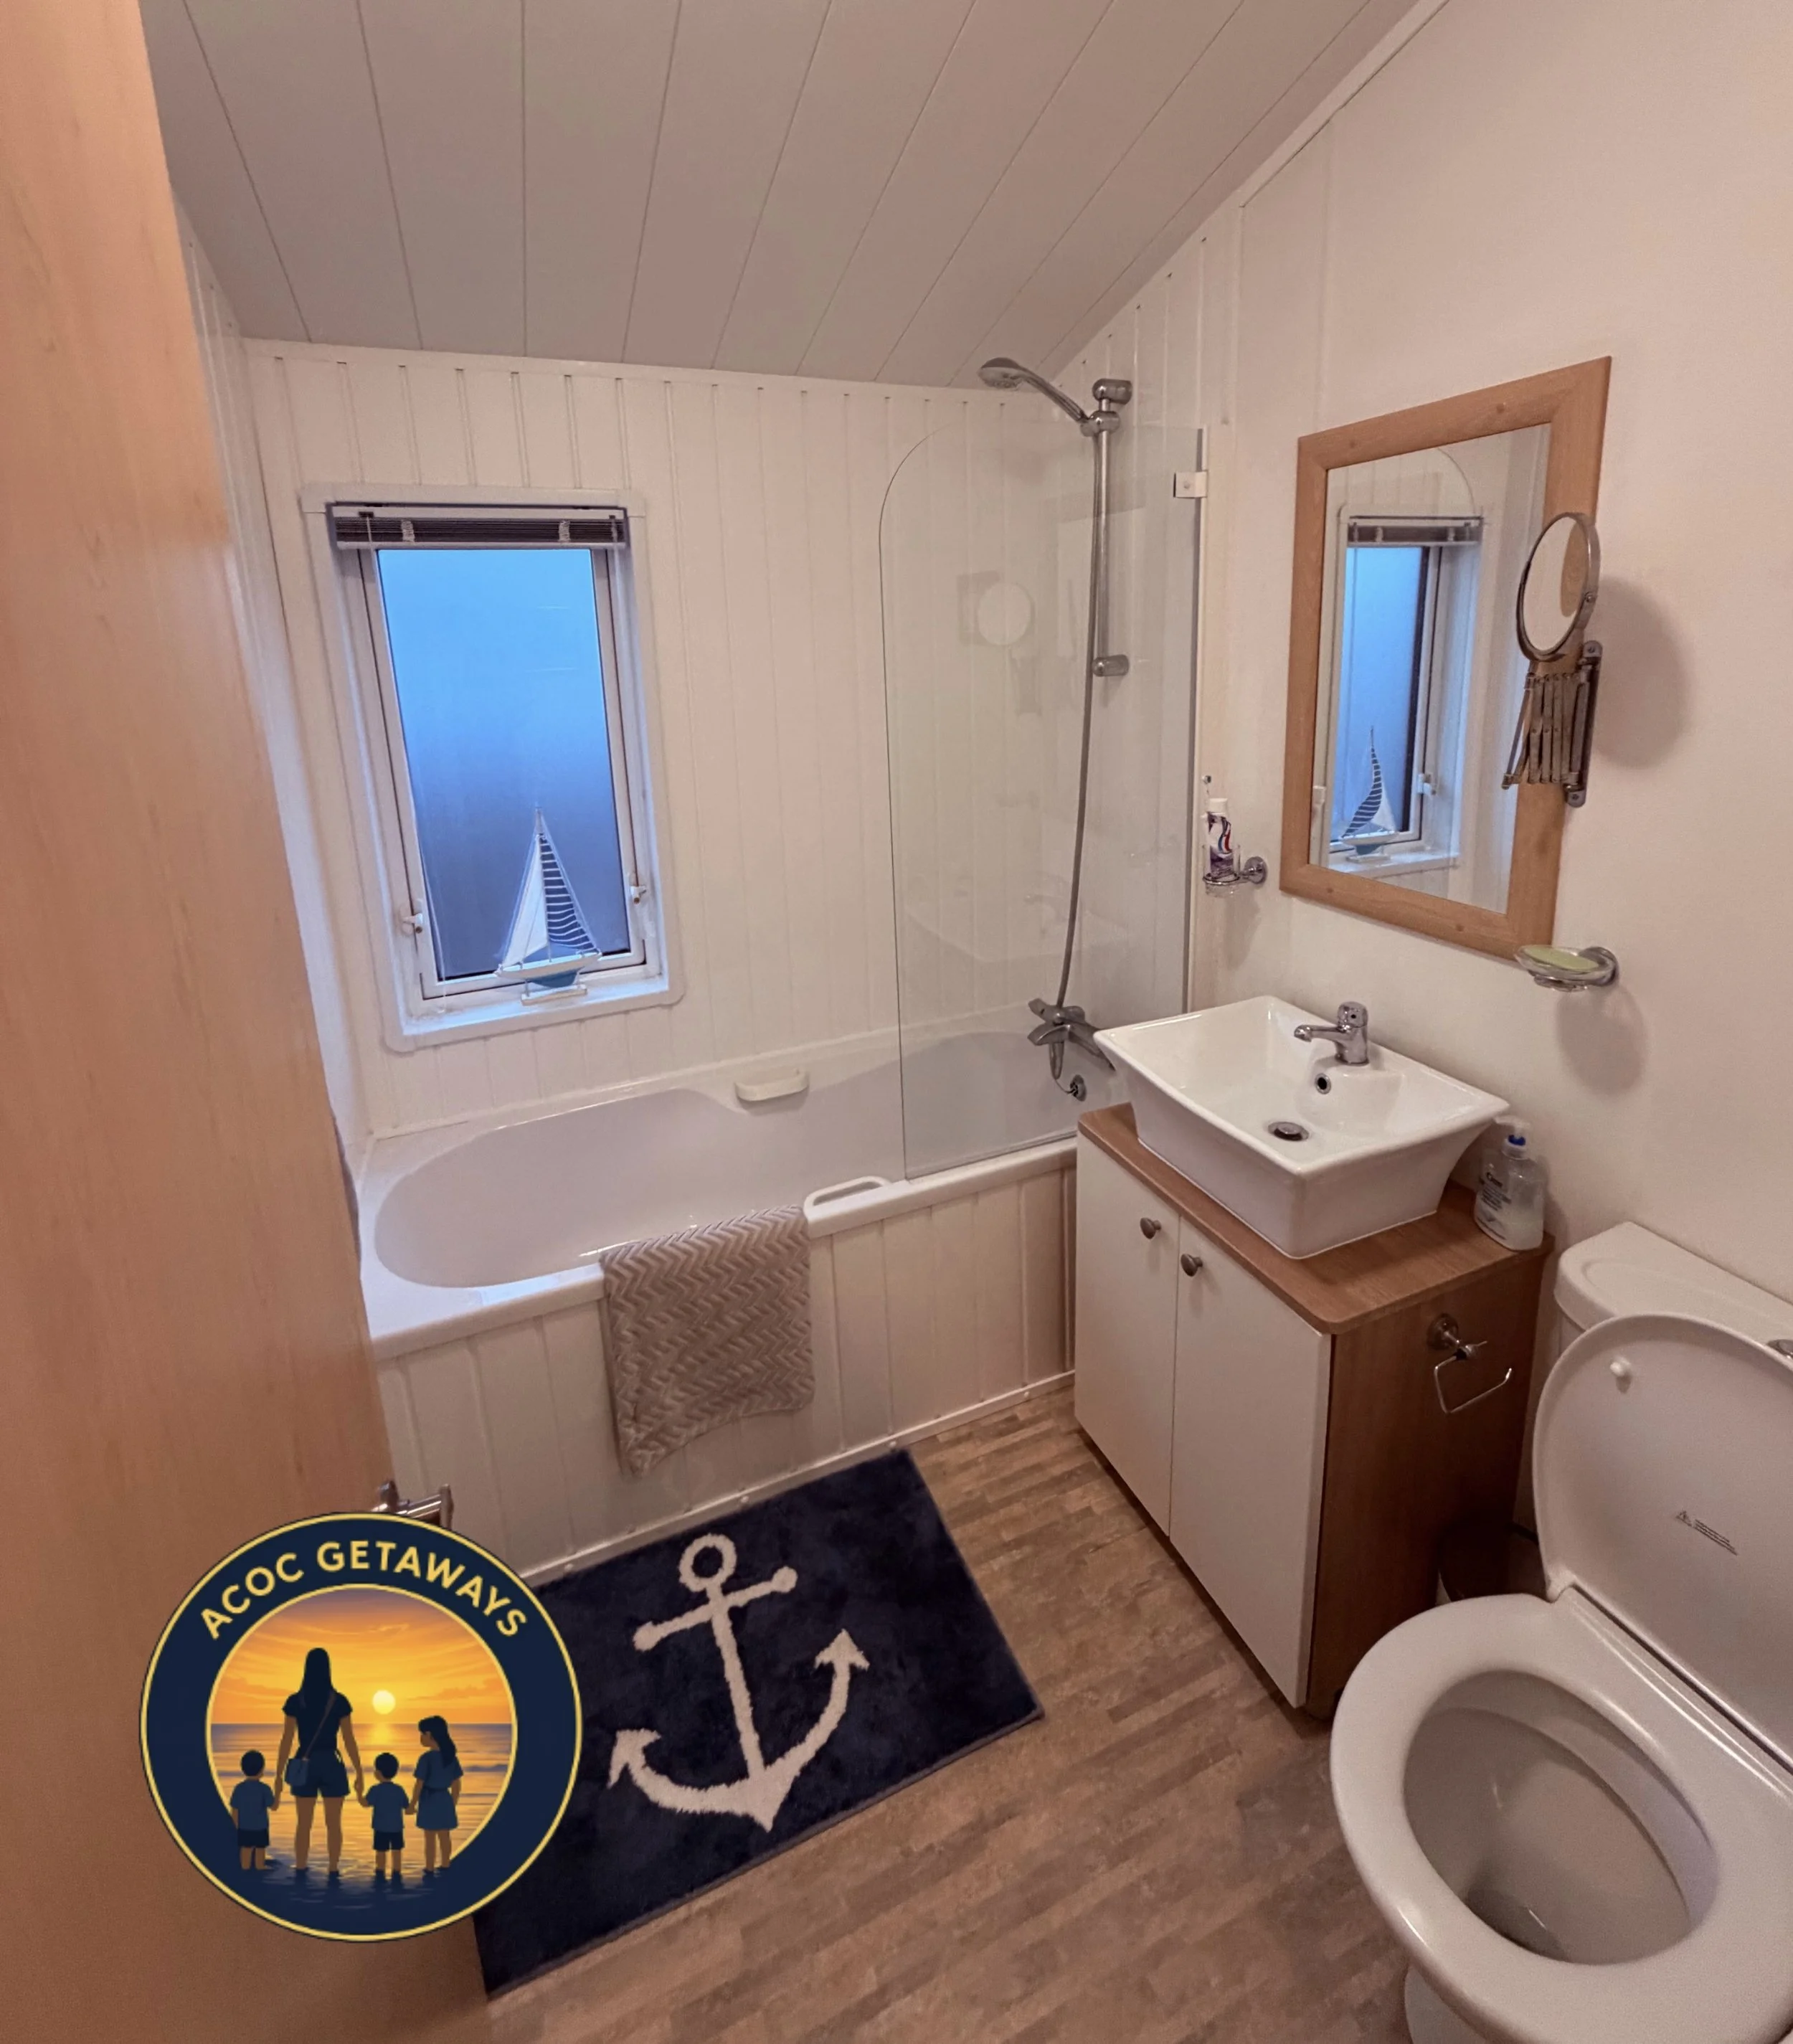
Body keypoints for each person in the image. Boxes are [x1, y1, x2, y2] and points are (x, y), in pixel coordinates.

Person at [271, 1646, 363, 1875]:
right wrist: (359, 1771)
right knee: (334, 1824)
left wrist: (279, 1774)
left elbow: (287, 1740)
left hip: (304, 1764)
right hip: (331, 1763)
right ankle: (333, 1869)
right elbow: (349, 1739)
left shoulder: (296, 1700)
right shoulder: (339, 1701)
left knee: (303, 1824)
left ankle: (301, 1866)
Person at [413, 1716, 463, 1871]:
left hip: (429, 1799)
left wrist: (412, 1804)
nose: (421, 1737)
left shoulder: (426, 1758)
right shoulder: (450, 1757)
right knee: (444, 1835)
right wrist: (453, 1803)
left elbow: (419, 1783)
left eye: (422, 1734)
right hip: (445, 1799)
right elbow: (456, 1783)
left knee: (430, 1838)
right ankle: (446, 1864)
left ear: (429, 1735)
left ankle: (429, 1868)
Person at [359, 1752, 410, 1880]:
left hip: (380, 1828)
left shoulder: (375, 1790)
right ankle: (397, 1872)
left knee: (381, 1852)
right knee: (397, 1851)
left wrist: (359, 1793)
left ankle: (380, 1872)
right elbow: (407, 1806)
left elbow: (365, 1804)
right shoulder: (399, 1789)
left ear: (378, 1773)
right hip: (396, 1828)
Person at [229, 1749, 276, 1870]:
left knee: (245, 1849)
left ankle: (245, 1868)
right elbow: (273, 1806)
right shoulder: (265, 1789)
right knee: (260, 1850)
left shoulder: (239, 1789)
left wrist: (235, 1827)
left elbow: (235, 1810)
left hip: (244, 1828)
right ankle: (260, 1867)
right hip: (261, 1827)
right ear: (262, 1770)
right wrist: (278, 1793)